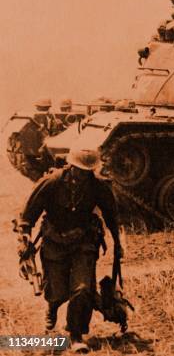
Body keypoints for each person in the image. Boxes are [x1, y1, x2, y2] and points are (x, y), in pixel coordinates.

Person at [14, 148, 122, 354]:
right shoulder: (52, 182)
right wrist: (24, 234)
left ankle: (76, 335)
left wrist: (118, 243)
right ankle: (52, 308)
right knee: (58, 292)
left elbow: (111, 214)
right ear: (71, 166)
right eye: (80, 170)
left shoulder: (97, 185)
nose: (83, 175)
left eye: (88, 171)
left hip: (84, 241)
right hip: (54, 241)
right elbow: (30, 211)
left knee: (82, 289)